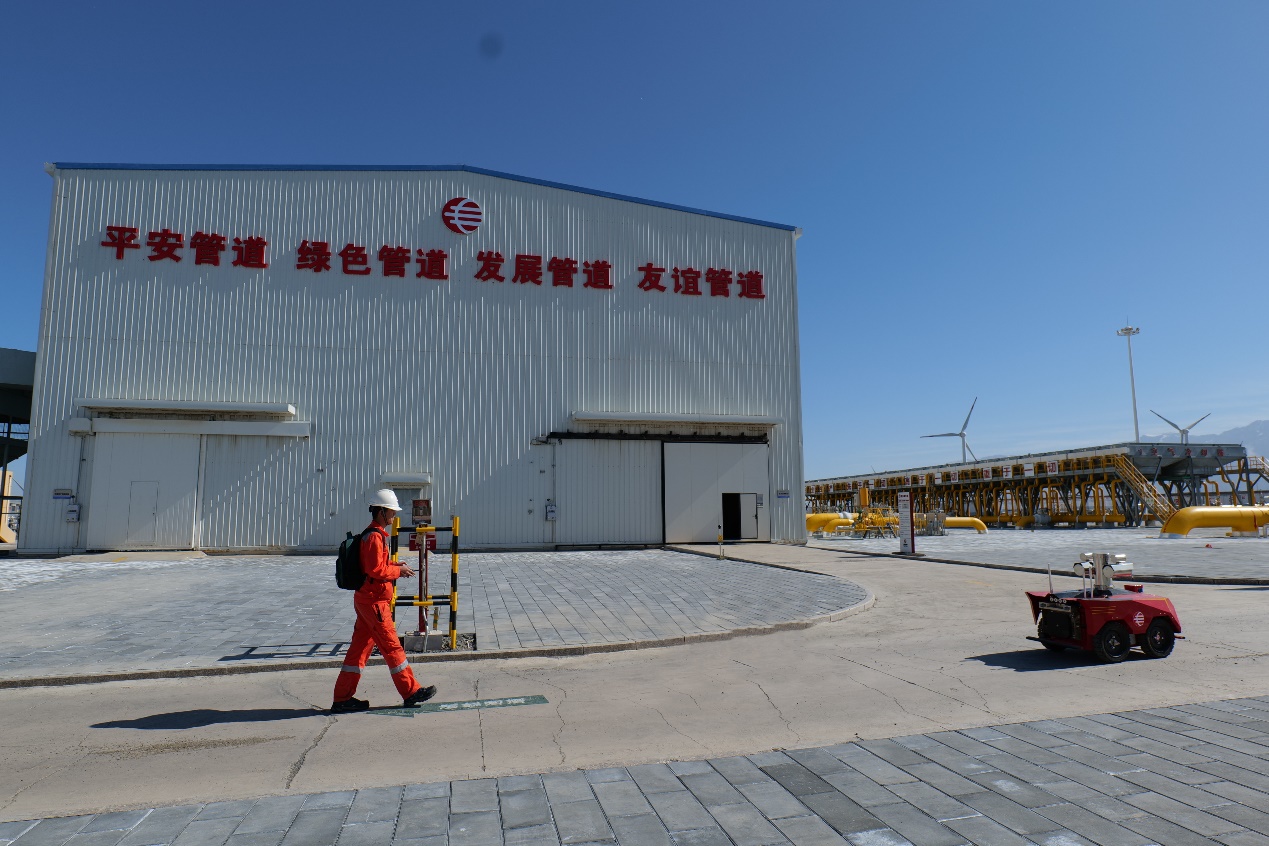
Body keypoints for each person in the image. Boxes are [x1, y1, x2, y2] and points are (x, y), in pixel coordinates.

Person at [331, 489, 437, 713]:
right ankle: (410, 691)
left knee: (358, 651)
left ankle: (342, 698)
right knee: (392, 646)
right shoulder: (374, 537)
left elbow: (375, 566)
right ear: (381, 512)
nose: (394, 516)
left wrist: (396, 566)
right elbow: (375, 570)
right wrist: (398, 572)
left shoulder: (375, 535)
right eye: (391, 512)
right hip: (374, 603)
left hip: (368, 601)